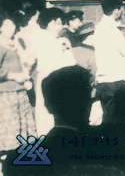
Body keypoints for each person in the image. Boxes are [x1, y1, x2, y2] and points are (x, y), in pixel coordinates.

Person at [33, 8, 75, 135]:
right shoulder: (41, 39)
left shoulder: (62, 41)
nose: (61, 27)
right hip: (48, 79)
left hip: (61, 80)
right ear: (51, 23)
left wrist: (66, 49)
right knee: (47, 113)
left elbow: (72, 62)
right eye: (59, 23)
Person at [91, 0, 125, 122]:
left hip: (104, 82)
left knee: (108, 119)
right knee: (116, 121)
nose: (123, 10)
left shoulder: (99, 27)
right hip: (114, 81)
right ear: (117, 9)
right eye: (121, 7)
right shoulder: (111, 29)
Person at [0, 17, 35, 152]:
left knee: (21, 123)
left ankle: (17, 152)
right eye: (7, 26)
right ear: (1, 28)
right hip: (6, 92)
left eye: (13, 25)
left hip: (19, 89)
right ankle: (7, 152)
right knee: (9, 123)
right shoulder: (1, 45)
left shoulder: (16, 44)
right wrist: (13, 76)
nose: (11, 28)